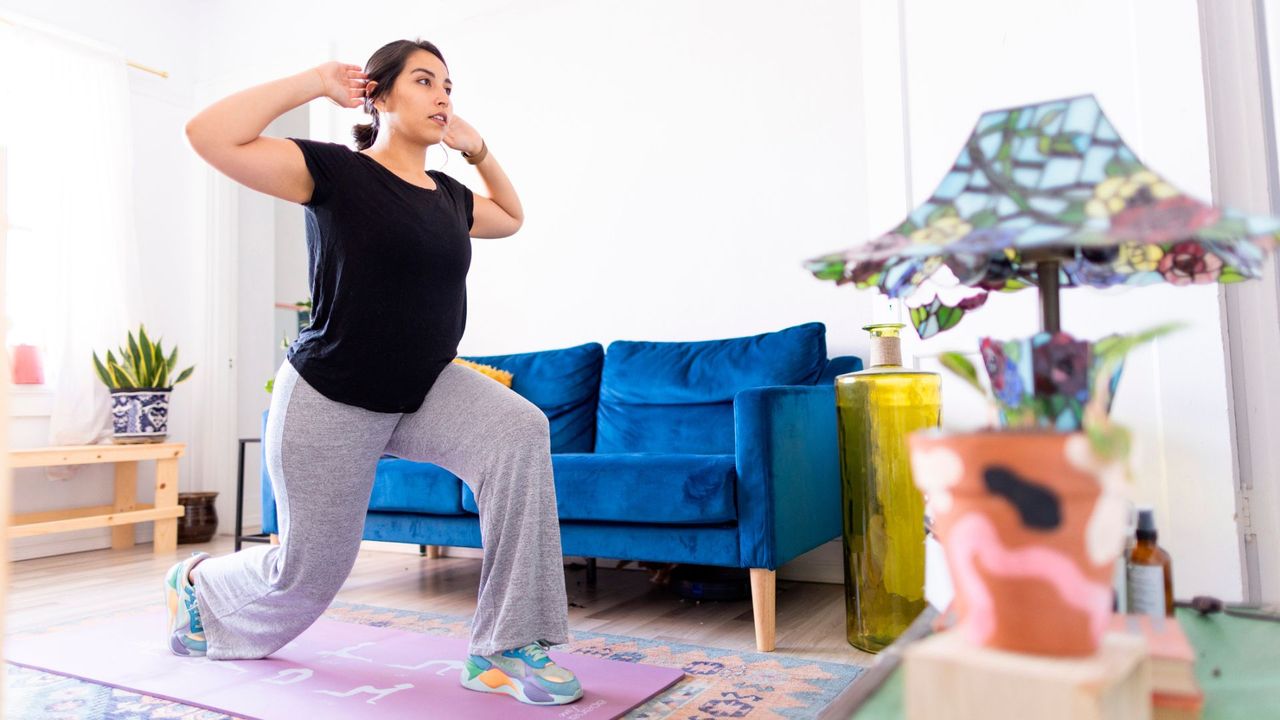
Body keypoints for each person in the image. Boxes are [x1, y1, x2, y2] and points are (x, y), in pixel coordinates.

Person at [170, 38, 582, 706]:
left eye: (449, 84)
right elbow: (207, 134)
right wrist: (312, 82)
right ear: (380, 94)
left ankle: (505, 646)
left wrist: (477, 152)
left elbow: (510, 217)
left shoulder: (449, 196)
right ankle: (198, 585)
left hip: (424, 389)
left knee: (519, 430)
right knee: (305, 579)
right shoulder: (335, 174)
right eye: (424, 81)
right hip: (332, 395)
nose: (443, 95)